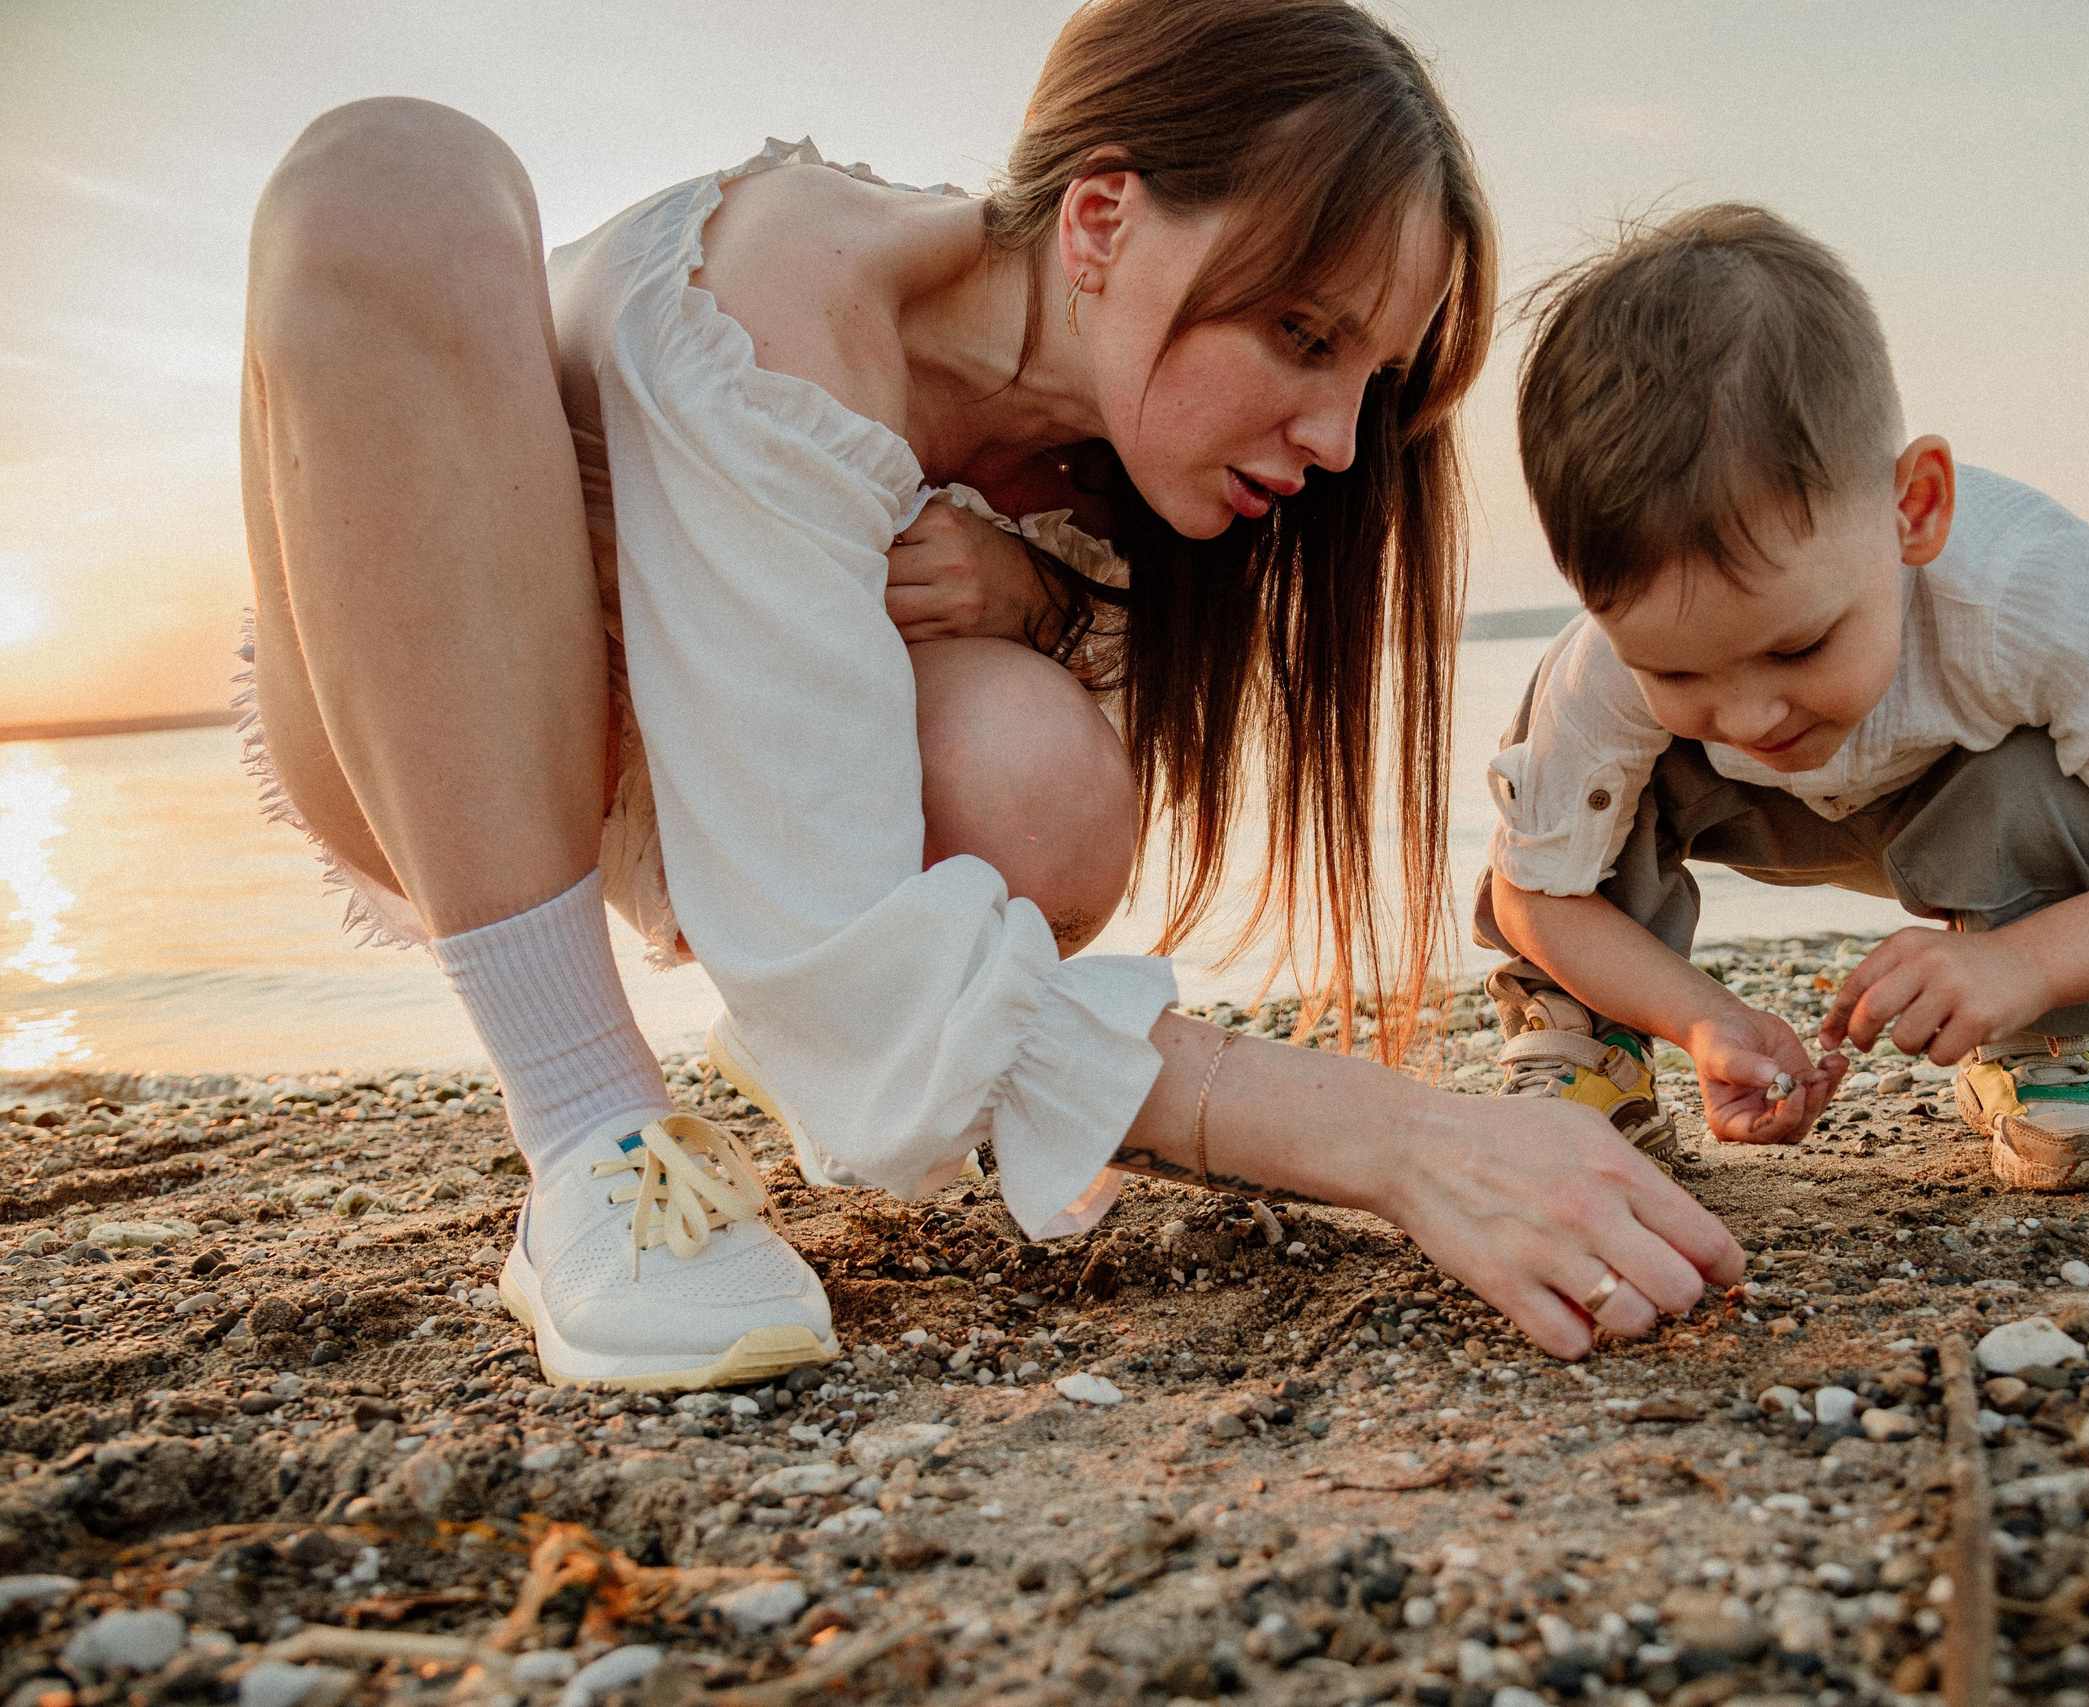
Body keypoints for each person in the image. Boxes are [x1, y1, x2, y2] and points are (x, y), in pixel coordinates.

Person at [236, 0, 1741, 1389]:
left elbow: (1040, 767)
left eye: (1371, 376)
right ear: (1100, 218)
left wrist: (1047, 597)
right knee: (392, 169)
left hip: (745, 807)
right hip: (450, 735)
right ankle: (588, 1126)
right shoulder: (790, 305)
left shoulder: (1130, 477)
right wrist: (1414, 1139)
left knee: (1040, 772)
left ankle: (805, 1011)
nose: (1342, 438)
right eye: (1301, 335)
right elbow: (852, 933)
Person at [1475, 204, 2089, 1193]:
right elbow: (1534, 894)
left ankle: (2039, 1040)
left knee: (2063, 777)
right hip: (1736, 816)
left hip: (1976, 804)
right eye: (1677, 671)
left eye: (1799, 644)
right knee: (1558, 817)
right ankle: (1592, 1041)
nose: (1750, 718)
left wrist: (2024, 964)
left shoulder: (2045, 596)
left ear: (1915, 507)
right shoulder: (1606, 660)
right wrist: (1700, 1016)